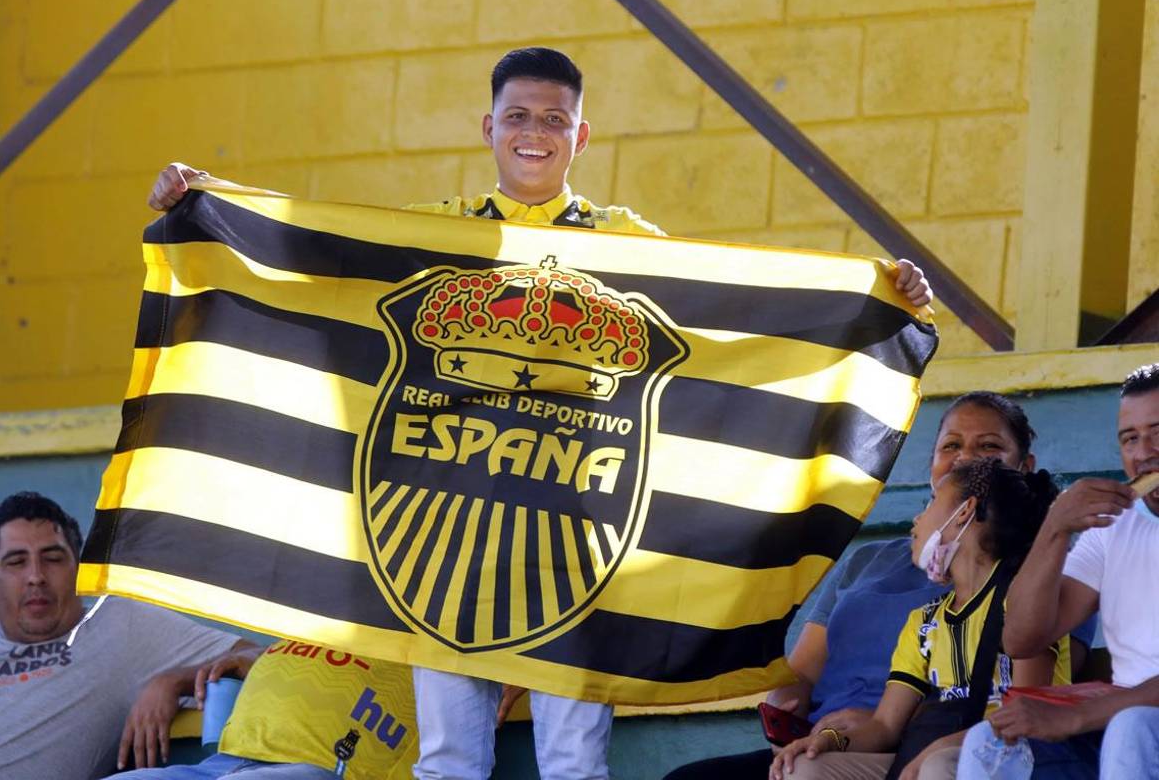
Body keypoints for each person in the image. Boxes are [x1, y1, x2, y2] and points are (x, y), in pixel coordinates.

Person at [147, 46, 934, 780]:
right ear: (488, 127)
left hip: (576, 552)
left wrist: (878, 299)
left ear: (580, 135)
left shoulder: (629, 244)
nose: (535, 132)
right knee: (447, 762)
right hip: (437, 545)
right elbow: (318, 258)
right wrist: (209, 204)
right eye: (517, 116)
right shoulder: (433, 231)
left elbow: (740, 314)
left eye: (554, 118)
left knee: (573, 765)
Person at [665, 392, 1098, 779]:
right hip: (866, 740)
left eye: (988, 447)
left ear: (1023, 468)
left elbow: (1031, 704)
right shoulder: (904, 598)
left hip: (963, 748)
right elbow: (822, 685)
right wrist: (817, 731)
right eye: (950, 446)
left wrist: (919, 739)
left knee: (939, 767)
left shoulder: (1039, 581)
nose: (964, 458)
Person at [770, 457, 1065, 780]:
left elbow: (1027, 718)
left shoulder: (1023, 601)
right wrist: (828, 740)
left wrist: (940, 747)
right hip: (929, 757)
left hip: (1021, 759)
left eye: (932, 502)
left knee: (938, 767)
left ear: (964, 511)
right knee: (804, 769)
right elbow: (884, 727)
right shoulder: (925, 622)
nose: (917, 519)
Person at [0, 491, 259, 780]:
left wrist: (175, 680)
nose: (36, 576)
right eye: (17, 562)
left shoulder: (121, 625)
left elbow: (260, 658)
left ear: (80, 574)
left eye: (53, 559)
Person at [956, 363, 1159, 780]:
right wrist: (1055, 527)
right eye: (1130, 438)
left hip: (1131, 727)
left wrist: (1077, 715)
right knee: (989, 741)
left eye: (1158, 432)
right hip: (1123, 727)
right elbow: (1021, 639)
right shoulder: (1114, 526)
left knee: (1131, 727)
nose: (1143, 453)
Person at [112, 639, 418, 780]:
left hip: (319, 767)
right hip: (223, 761)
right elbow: (248, 649)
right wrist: (250, 657)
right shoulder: (320, 623)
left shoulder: (429, 654)